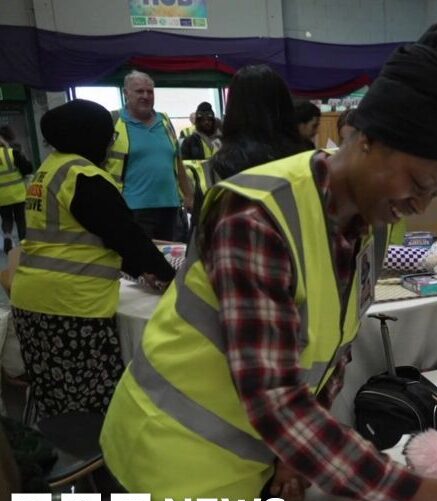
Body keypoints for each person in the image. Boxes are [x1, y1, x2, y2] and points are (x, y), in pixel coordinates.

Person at [99, 18, 437, 501]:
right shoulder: (258, 215)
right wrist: (408, 492)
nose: (419, 205)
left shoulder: (368, 223)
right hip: (170, 471)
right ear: (366, 136)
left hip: (245, 471)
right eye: (417, 182)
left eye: (435, 191)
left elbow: (328, 350)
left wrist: (296, 455)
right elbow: (272, 398)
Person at [10, 100, 175, 419]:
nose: (111, 145)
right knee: (92, 406)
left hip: (34, 302)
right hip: (72, 309)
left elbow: (83, 237)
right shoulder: (83, 176)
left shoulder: (49, 170)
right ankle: (98, 465)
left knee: (58, 401)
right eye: (108, 136)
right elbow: (125, 234)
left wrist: (141, 270)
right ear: (89, 135)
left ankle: (72, 462)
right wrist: (167, 275)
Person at [185, 65, 312, 230]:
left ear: (232, 110)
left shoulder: (215, 170)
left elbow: (200, 237)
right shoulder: (306, 164)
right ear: (285, 107)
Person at [105, 70, 193, 241]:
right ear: (126, 93)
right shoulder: (113, 121)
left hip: (171, 209)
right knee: (139, 265)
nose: (146, 96)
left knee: (171, 263)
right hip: (132, 210)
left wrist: (189, 196)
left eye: (150, 91)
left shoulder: (165, 121)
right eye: (139, 91)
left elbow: (177, 163)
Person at [0, 125, 33, 254]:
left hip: (2, 196)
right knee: (20, 219)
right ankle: (23, 243)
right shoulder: (12, 152)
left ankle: (8, 239)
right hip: (18, 193)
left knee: (6, 219)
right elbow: (27, 168)